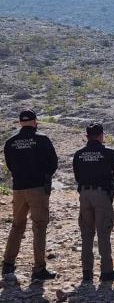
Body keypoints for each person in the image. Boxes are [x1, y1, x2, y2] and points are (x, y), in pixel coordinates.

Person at [2, 109, 58, 281]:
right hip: (37, 188)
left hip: (18, 188)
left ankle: (8, 264)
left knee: (17, 226)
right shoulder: (42, 139)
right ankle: (39, 269)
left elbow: (10, 165)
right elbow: (53, 163)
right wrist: (44, 176)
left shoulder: (10, 142)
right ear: (35, 121)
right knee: (39, 227)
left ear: (20, 122)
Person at [73, 123, 114, 282]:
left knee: (86, 234)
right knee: (103, 233)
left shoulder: (79, 154)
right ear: (101, 135)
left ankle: (87, 272)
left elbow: (77, 177)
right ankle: (106, 272)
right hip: (102, 195)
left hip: (85, 195)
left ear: (87, 136)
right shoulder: (108, 152)